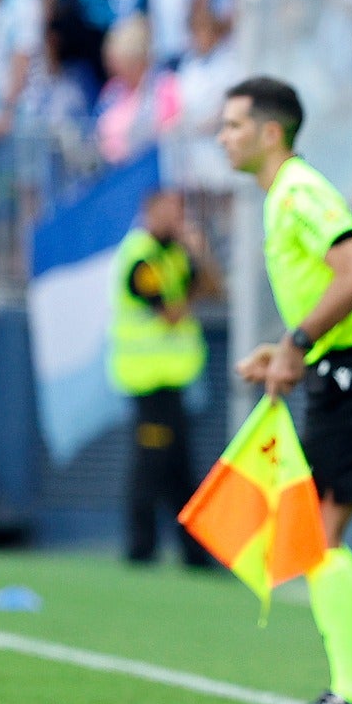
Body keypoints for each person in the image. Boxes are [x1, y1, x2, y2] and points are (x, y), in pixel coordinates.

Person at [217, 78, 352, 704]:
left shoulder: (299, 191)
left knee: (319, 537)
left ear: (271, 132)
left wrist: (297, 342)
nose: (224, 136)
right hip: (341, 371)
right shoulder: (281, 197)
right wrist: (287, 349)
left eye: (235, 125)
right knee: (317, 537)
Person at [109, 188, 220, 568]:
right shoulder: (140, 258)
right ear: (149, 212)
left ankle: (191, 550)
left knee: (179, 464)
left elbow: (214, 289)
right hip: (147, 381)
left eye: (180, 210)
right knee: (151, 462)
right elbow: (171, 314)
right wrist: (192, 290)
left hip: (173, 380)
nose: (177, 218)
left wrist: (200, 253)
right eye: (169, 211)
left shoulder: (176, 254)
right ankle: (141, 546)